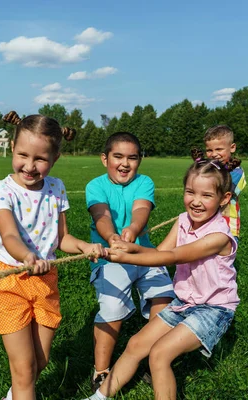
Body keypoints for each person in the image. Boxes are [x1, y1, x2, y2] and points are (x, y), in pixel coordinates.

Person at [84, 157, 239, 400]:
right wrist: (127, 248)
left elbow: (173, 256)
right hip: (184, 303)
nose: (196, 201)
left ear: (224, 199)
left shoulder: (219, 236)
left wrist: (126, 258)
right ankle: (98, 397)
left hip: (213, 309)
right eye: (190, 192)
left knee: (159, 355)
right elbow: (158, 252)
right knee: (135, 345)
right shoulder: (183, 220)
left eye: (206, 196)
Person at [0, 111, 106, 400]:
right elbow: (10, 235)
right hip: (9, 281)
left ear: (55, 158)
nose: (29, 166)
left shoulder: (56, 187)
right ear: (12, 148)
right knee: (25, 369)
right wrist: (27, 256)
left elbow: (62, 238)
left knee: (40, 362)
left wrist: (85, 247)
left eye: (40, 159)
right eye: (23, 155)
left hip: (45, 280)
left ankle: (14, 396)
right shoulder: (2, 190)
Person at [85, 132, 175, 391]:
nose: (125, 163)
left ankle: (152, 359)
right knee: (112, 308)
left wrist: (133, 231)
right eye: (118, 157)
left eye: (132, 158)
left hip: (143, 253)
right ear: (105, 159)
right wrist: (112, 236)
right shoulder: (95, 186)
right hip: (110, 257)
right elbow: (100, 215)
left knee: (165, 299)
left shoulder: (144, 182)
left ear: (140, 161)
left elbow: (141, 210)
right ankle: (101, 370)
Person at [203, 125, 246, 240]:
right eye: (209, 150)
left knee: (223, 257)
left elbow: (221, 190)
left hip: (227, 224)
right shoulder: (208, 169)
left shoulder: (236, 172)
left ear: (232, 148)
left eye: (219, 149)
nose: (214, 154)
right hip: (206, 222)